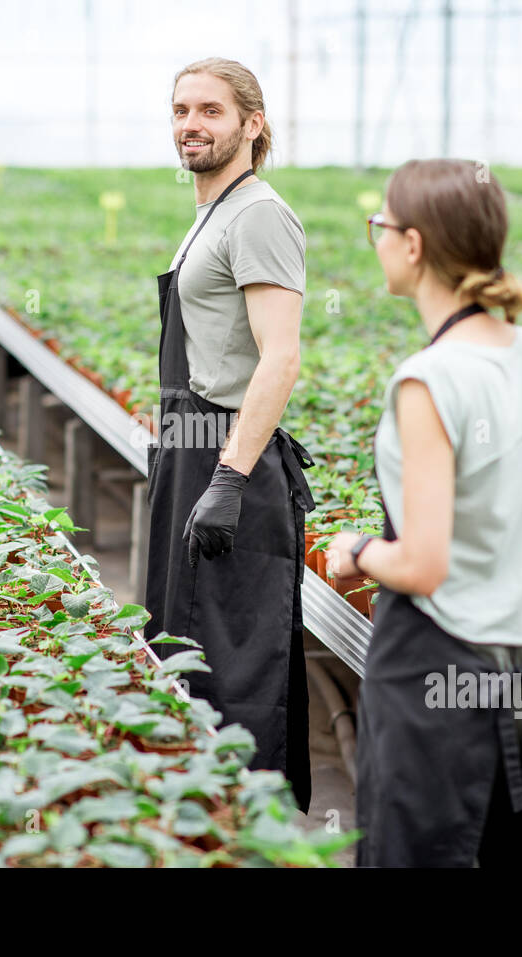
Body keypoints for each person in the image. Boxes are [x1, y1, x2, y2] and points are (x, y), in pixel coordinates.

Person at [326, 159, 522, 866]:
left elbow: (423, 562)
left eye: (379, 225)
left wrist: (356, 549)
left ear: (412, 245)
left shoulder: (428, 380)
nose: (375, 239)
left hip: (430, 678)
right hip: (514, 678)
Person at [145, 57, 316, 813]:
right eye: (182, 110)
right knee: (185, 648)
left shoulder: (258, 214)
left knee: (236, 662)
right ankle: (201, 821)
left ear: (252, 123)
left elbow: (280, 354)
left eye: (210, 111)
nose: (191, 124)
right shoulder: (210, 213)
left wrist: (228, 477)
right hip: (191, 451)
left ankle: (252, 827)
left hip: (227, 459)